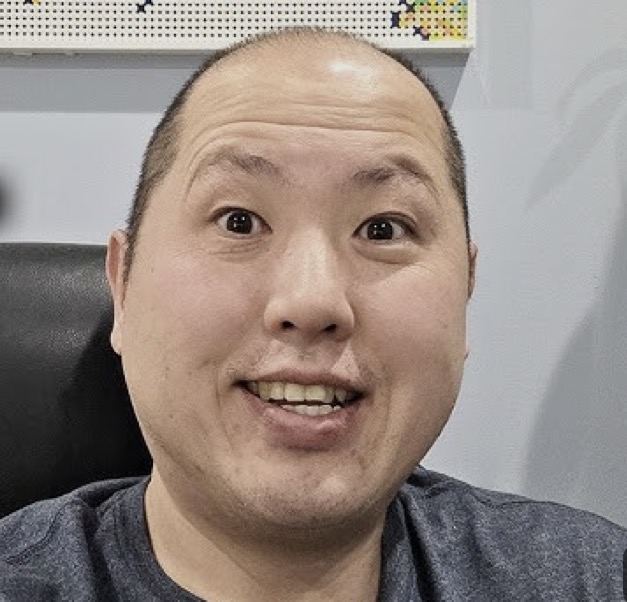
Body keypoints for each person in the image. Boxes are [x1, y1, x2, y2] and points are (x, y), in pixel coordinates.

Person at [0, 27, 625, 601]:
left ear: (466, 287)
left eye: (383, 228)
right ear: (123, 286)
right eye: (238, 221)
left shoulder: (589, 577)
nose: (312, 301)